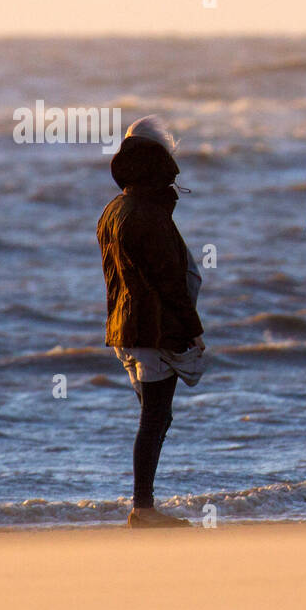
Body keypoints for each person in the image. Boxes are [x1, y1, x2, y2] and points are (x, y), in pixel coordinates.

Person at [97, 115, 206, 528]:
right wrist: (193, 329)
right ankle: (143, 510)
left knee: (155, 415)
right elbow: (168, 282)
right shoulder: (147, 214)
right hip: (152, 329)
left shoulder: (116, 209)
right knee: (155, 417)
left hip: (126, 328)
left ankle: (144, 506)